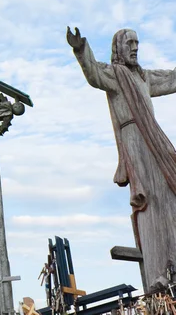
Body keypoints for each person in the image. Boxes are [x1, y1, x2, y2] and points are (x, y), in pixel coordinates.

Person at [67, 27, 176, 289]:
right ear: (119, 48)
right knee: (149, 198)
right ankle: (159, 266)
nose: (135, 48)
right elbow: (93, 74)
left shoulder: (144, 77)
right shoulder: (115, 75)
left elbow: (171, 79)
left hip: (155, 139)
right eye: (130, 43)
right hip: (134, 141)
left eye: (137, 43)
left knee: (169, 197)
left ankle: (172, 262)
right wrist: (81, 50)